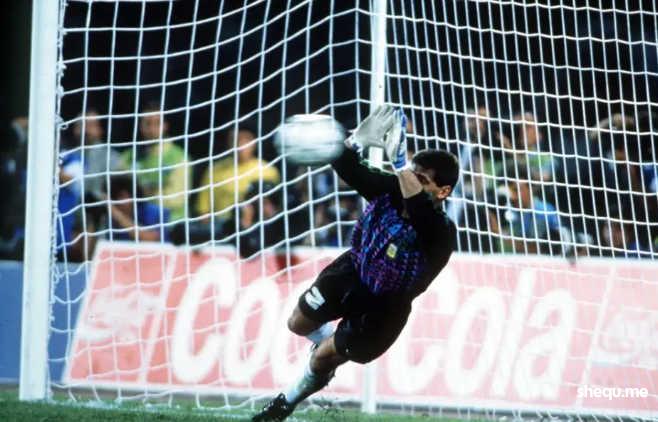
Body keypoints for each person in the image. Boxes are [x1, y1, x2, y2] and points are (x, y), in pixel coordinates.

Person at [252, 106, 459, 421]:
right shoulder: (391, 189)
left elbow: (420, 211)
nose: (409, 182)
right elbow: (351, 169)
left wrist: (401, 164)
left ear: (443, 191)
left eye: (420, 180)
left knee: (321, 360)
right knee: (297, 323)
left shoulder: (441, 231)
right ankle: (327, 343)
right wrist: (353, 142)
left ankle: (284, 403)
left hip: (384, 309)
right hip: (351, 271)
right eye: (411, 175)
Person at [122, 102, 189, 221]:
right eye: (148, 123)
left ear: (165, 126)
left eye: (157, 123)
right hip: (133, 220)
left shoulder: (179, 157)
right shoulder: (128, 157)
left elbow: (177, 199)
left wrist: (145, 194)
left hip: (171, 223)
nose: (152, 129)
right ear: (140, 126)